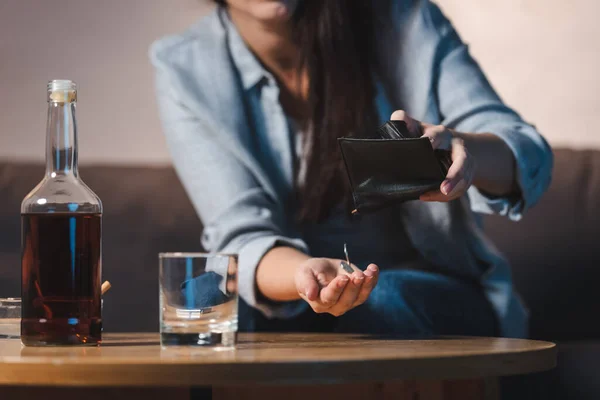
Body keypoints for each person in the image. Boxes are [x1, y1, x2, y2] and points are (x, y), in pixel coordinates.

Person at [150, 0, 552, 338]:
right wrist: (307, 276)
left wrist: (471, 154)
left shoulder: (404, 19)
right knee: (200, 299)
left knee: (386, 294)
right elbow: (241, 236)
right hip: (296, 294)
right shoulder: (183, 65)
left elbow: (528, 151)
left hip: (426, 294)